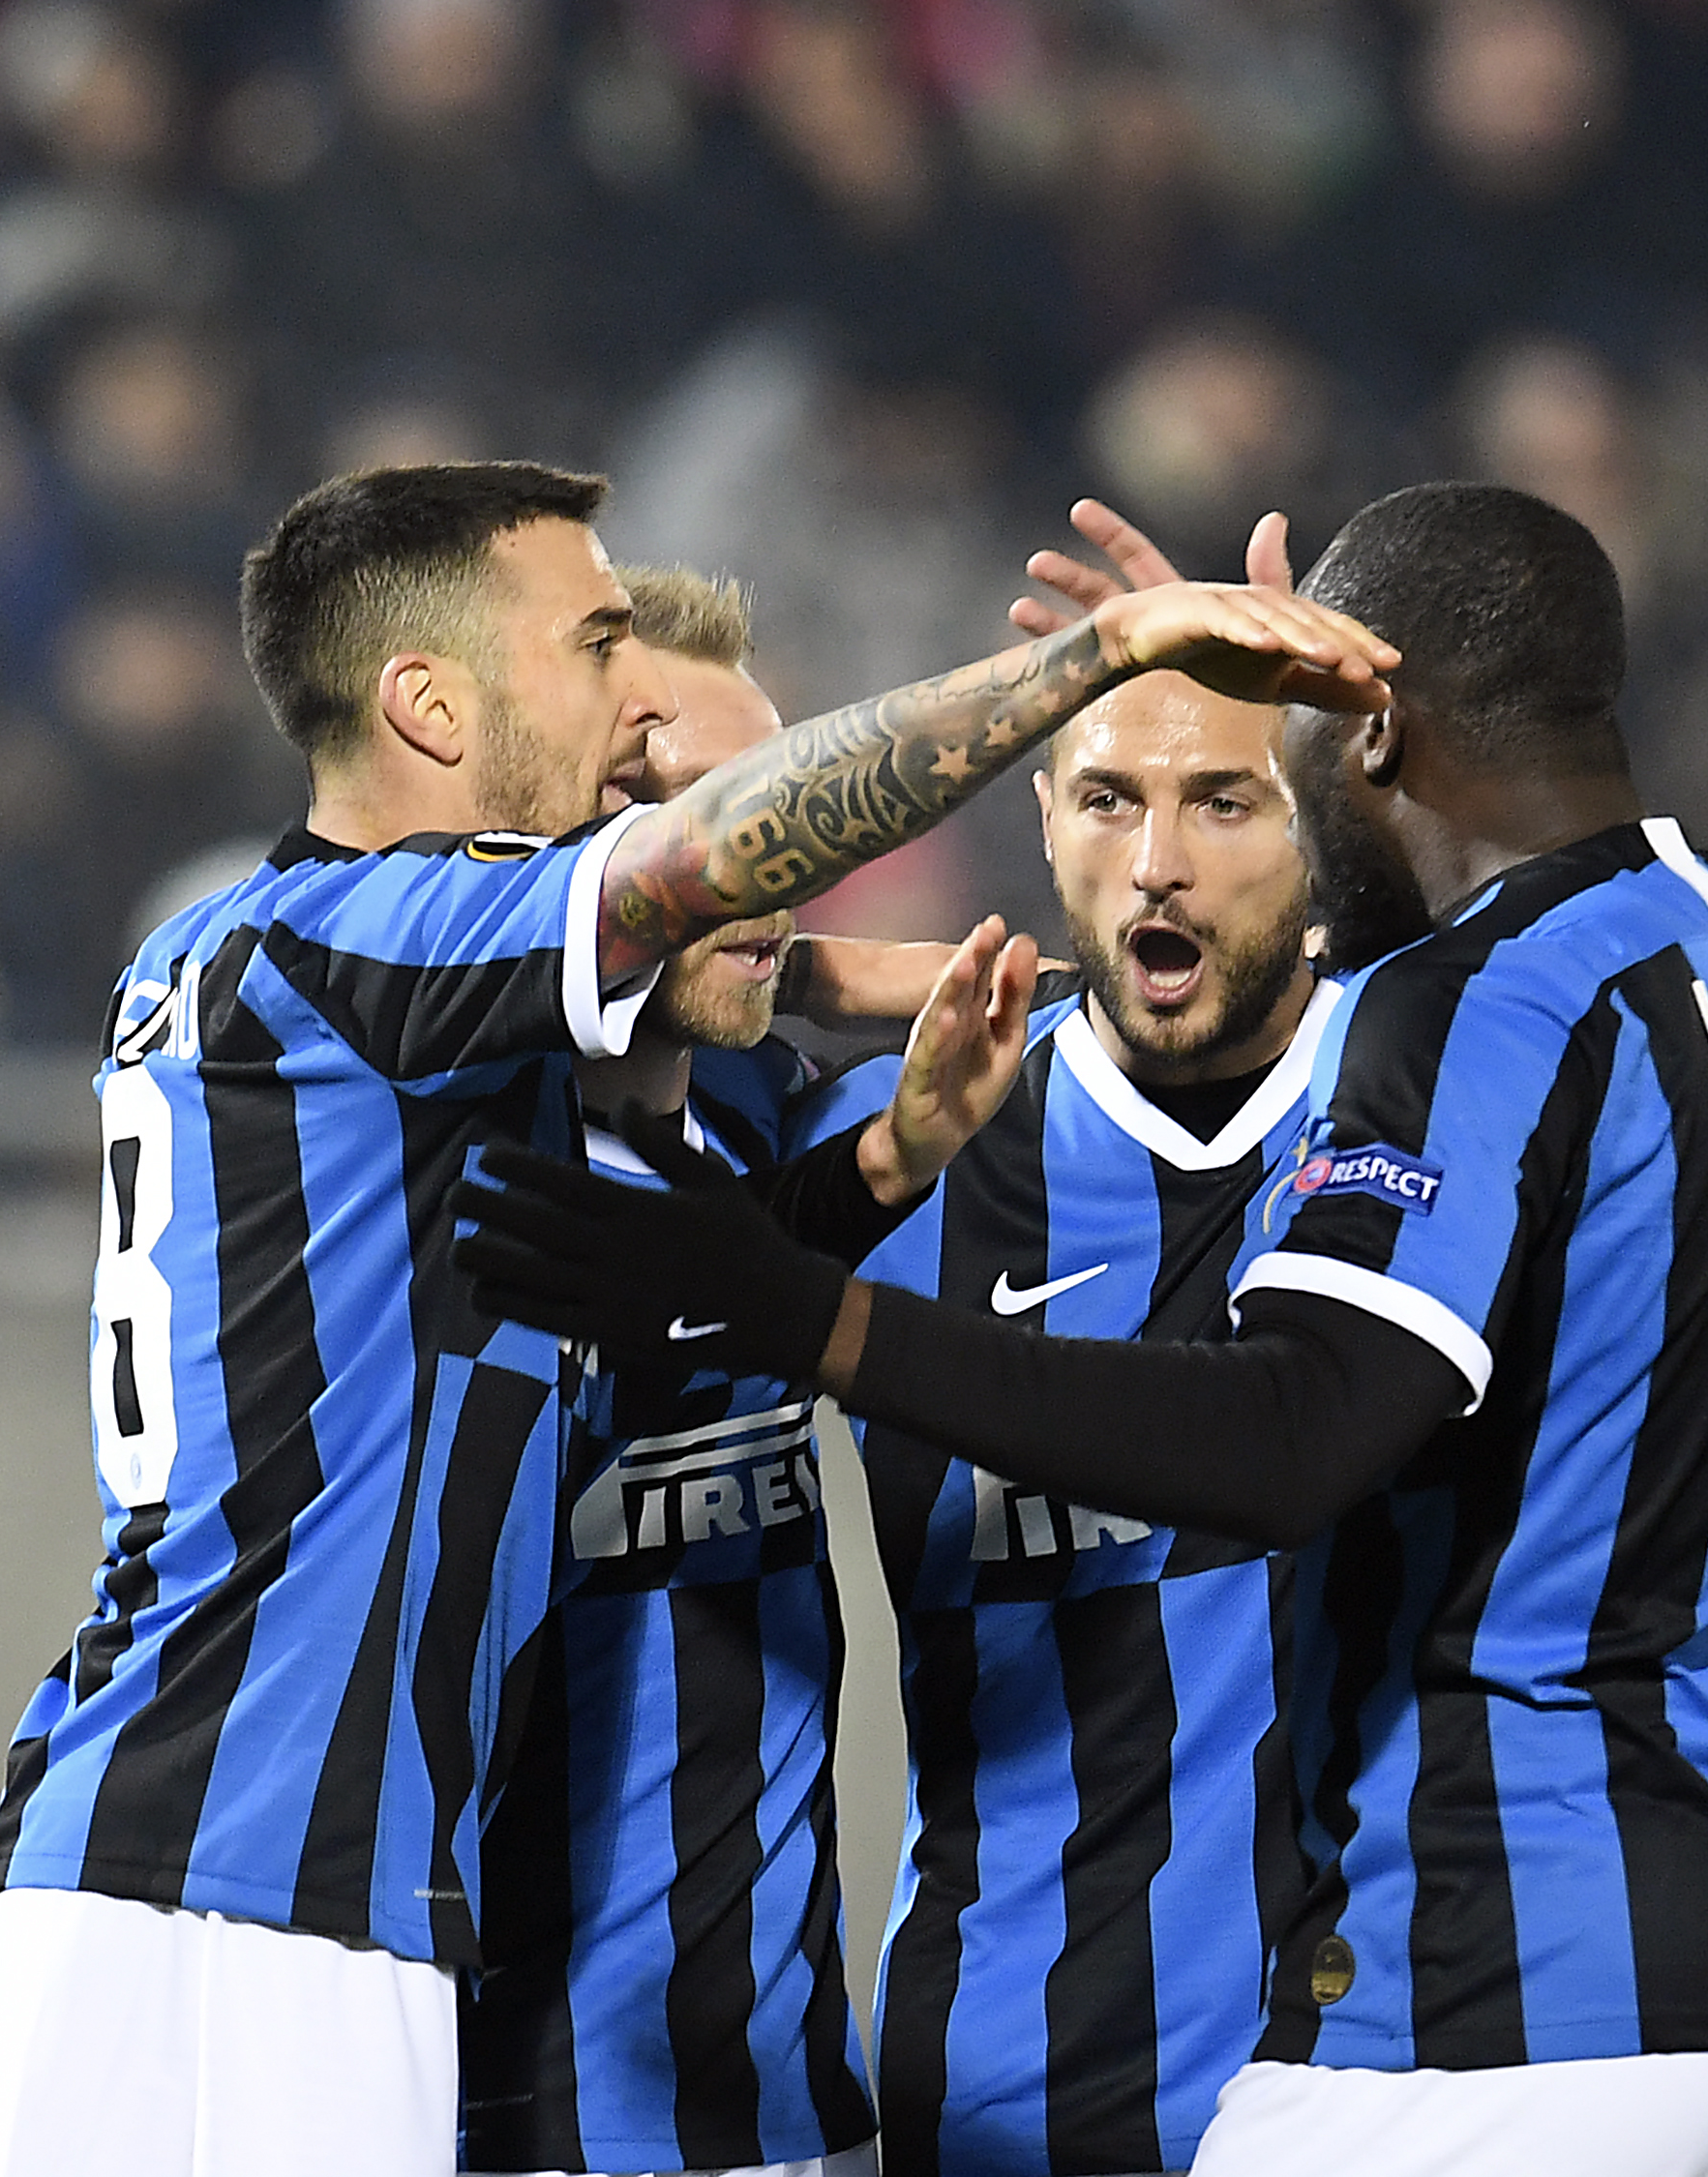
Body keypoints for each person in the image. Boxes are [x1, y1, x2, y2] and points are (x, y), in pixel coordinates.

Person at [449, 481, 1708, 2177]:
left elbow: (1707, 961)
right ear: (1036, 822)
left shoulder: (1436, 1082)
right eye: (1109, 797)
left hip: (1407, 2037)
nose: (1159, 859)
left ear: (1327, 795)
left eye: (1221, 794)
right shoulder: (876, 1161)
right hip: (1014, 2091)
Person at [0, 460, 1391, 2177]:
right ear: (430, 703)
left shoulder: (381, 1037)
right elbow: (698, 877)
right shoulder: (348, 941)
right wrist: (1093, 665)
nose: (619, 717)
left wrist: (890, 1141)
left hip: (306, 1893)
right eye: (587, 655)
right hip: (229, 1876)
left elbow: (668, 1288)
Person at [455, 567, 1039, 2177]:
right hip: (520, 2111)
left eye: (796, 829)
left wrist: (798, 971)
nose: (783, 871)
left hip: (791, 2098)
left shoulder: (758, 1118)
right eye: (732, 826)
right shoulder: (446, 1162)